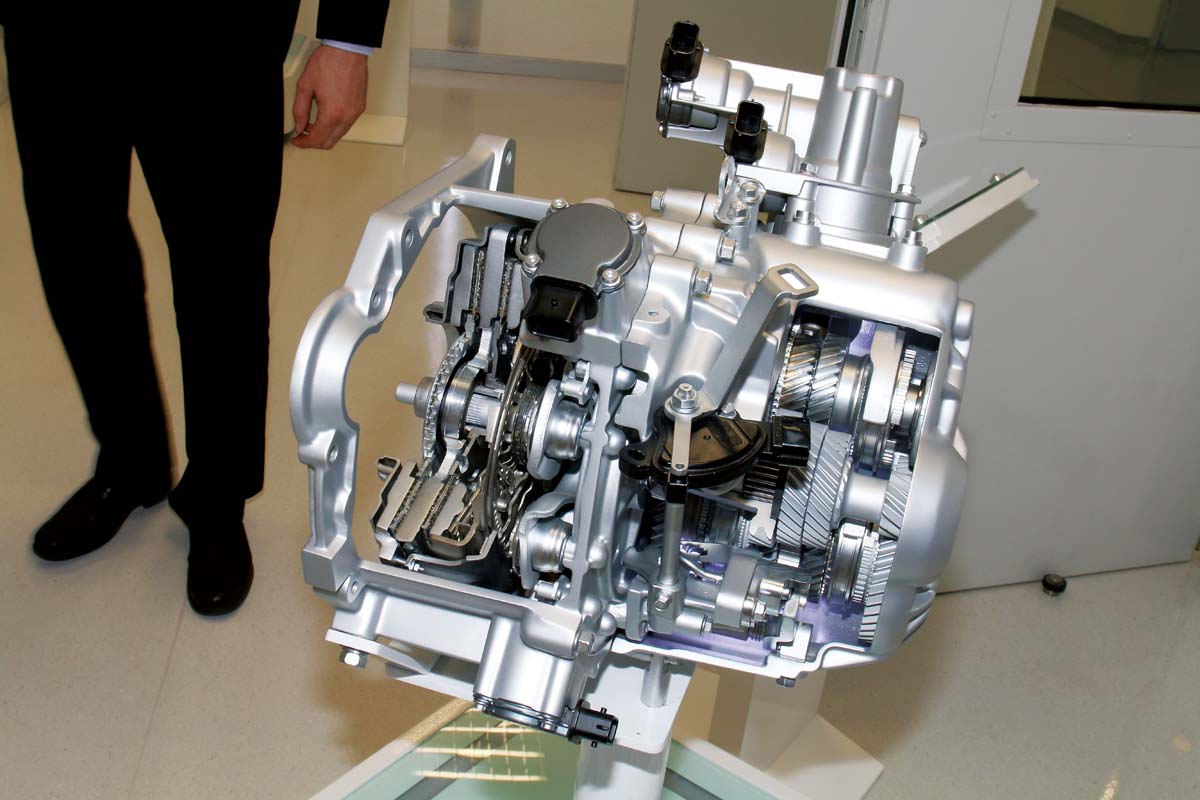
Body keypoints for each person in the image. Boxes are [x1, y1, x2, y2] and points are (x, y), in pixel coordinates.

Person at [2, 1, 390, 615]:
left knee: (220, 267)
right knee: (74, 251)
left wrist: (348, 38)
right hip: (53, 30)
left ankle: (217, 497)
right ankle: (130, 461)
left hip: (213, 30)